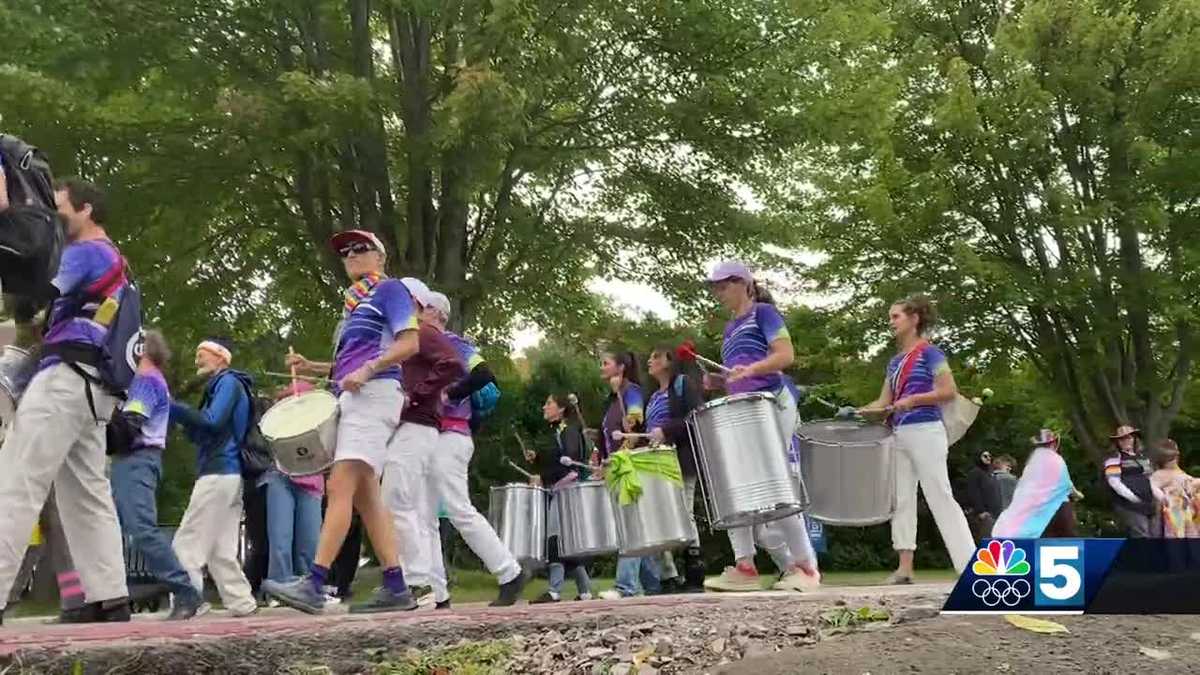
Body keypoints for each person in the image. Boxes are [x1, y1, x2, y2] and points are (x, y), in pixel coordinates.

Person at [265, 229, 420, 614]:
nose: (351, 254)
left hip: (374, 395)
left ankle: (315, 583)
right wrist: (311, 366)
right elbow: (345, 366)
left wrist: (368, 370)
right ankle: (396, 585)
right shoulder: (354, 306)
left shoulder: (389, 290)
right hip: (357, 396)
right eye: (346, 251)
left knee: (340, 485)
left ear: (380, 257)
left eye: (360, 248)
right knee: (368, 497)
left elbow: (409, 343)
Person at [0, 178, 133, 625]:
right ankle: (110, 595)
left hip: (64, 378)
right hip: (94, 385)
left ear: (86, 209)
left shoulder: (86, 253)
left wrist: (12, 220)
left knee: (16, 478)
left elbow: (33, 291)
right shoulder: (116, 258)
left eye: (57, 207)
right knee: (87, 491)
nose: (51, 214)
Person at [702, 261, 821, 593]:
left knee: (776, 484)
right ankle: (745, 565)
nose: (718, 293)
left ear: (743, 283)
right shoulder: (729, 328)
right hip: (746, 410)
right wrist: (720, 379)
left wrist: (751, 369)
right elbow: (739, 375)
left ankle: (806, 569)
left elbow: (785, 355)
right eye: (716, 287)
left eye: (723, 286)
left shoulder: (764, 314)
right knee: (735, 487)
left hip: (773, 403)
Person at [854, 294, 974, 583]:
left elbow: (948, 390)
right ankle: (904, 567)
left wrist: (914, 399)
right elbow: (883, 401)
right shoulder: (894, 363)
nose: (891, 322)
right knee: (901, 499)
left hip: (926, 430)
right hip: (899, 433)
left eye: (896, 316)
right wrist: (860, 412)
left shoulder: (931, 354)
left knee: (939, 495)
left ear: (914, 319)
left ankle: (969, 565)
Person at [419, 290, 527, 606]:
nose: (415, 316)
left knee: (457, 508)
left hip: (451, 435)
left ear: (436, 313)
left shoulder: (455, 342)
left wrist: (450, 394)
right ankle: (437, 593)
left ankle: (509, 572)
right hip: (434, 435)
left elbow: (484, 374)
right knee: (424, 515)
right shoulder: (420, 347)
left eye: (420, 310)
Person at [110, 330, 209, 620]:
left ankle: (186, 591)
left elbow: (132, 423)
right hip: (135, 461)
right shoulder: (149, 381)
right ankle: (109, 597)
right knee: (114, 527)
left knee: (142, 530)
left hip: (136, 459)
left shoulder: (145, 381)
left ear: (140, 350)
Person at [379, 279, 465, 610]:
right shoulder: (406, 336)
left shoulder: (423, 332)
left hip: (417, 425)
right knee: (407, 506)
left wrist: (416, 396)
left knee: (396, 502)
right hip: (416, 427)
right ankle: (422, 586)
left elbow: (454, 364)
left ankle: (416, 584)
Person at [168, 337, 258, 617]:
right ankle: (242, 603)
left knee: (186, 544)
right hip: (230, 477)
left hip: (218, 473)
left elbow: (212, 421)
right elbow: (208, 428)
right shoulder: (223, 386)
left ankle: (189, 602)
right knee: (220, 550)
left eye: (201, 354)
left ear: (221, 357)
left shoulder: (227, 382)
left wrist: (172, 407)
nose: (197, 361)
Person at [595, 351, 661, 600]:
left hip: (629, 464)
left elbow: (634, 423)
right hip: (619, 464)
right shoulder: (612, 399)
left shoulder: (631, 392)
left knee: (629, 524)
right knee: (637, 525)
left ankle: (626, 586)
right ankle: (654, 585)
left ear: (620, 368)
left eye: (606, 363)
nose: (601, 367)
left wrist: (619, 455)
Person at [643, 344, 707, 593]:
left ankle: (694, 570)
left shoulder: (682, 384)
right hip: (656, 461)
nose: (650, 361)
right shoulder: (653, 397)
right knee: (656, 517)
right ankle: (668, 575)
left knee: (684, 511)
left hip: (680, 458)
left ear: (669, 361)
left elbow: (696, 416)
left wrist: (666, 430)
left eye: (655, 356)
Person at [258, 382, 324, 590]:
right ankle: (279, 585)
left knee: (310, 540)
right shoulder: (276, 422)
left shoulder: (319, 422)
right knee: (280, 537)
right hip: (280, 475)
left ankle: (309, 586)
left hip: (312, 482)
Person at [529, 393, 594, 603]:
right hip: (562, 489)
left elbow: (569, 462)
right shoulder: (558, 431)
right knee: (568, 541)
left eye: (549, 403)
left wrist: (543, 476)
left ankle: (555, 591)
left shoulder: (568, 430)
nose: (544, 407)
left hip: (569, 490)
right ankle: (585, 591)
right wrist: (537, 459)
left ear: (562, 409)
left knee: (555, 538)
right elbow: (556, 459)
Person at [992, 430, 1078, 538]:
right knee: (1066, 533)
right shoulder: (1056, 460)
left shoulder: (1031, 462)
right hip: (1054, 506)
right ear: (1054, 444)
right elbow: (1066, 483)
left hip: (1033, 509)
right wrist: (1077, 494)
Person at [1103, 425, 1163, 538]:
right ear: (1117, 442)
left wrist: (1162, 497)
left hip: (1149, 503)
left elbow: (1151, 480)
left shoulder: (1143, 459)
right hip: (1128, 505)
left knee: (1156, 535)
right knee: (1141, 534)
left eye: (1129, 437)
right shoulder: (1113, 460)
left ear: (1135, 439)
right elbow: (1114, 483)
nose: (1126, 441)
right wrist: (1132, 497)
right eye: (1122, 439)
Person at [1150, 440, 1198, 538]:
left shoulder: (1178, 473)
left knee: (1191, 535)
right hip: (1174, 510)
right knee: (1176, 536)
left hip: (1187, 510)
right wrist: (1163, 497)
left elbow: (1190, 482)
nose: (1174, 461)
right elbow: (1153, 487)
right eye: (1171, 459)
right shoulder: (1159, 474)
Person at [964, 450, 995, 538]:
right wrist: (980, 510)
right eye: (985, 456)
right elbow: (973, 492)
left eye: (989, 456)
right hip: (982, 514)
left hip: (991, 513)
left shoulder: (989, 474)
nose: (989, 458)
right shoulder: (975, 473)